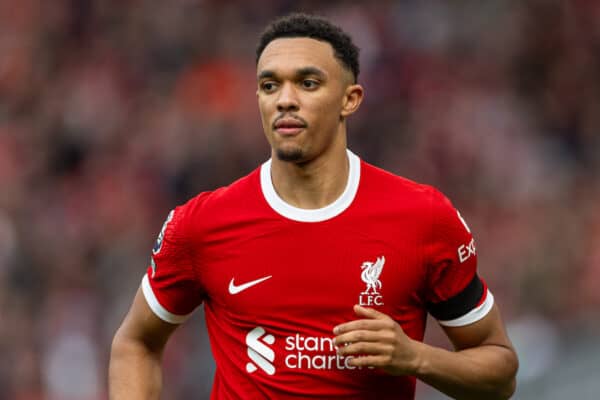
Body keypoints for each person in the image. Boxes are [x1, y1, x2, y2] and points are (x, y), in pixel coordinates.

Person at [109, 13, 518, 399]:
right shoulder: (202, 223)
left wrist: (417, 358)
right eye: (270, 86)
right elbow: (136, 342)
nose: (285, 100)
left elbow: (500, 373)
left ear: (350, 99)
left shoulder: (423, 217)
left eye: (307, 83)